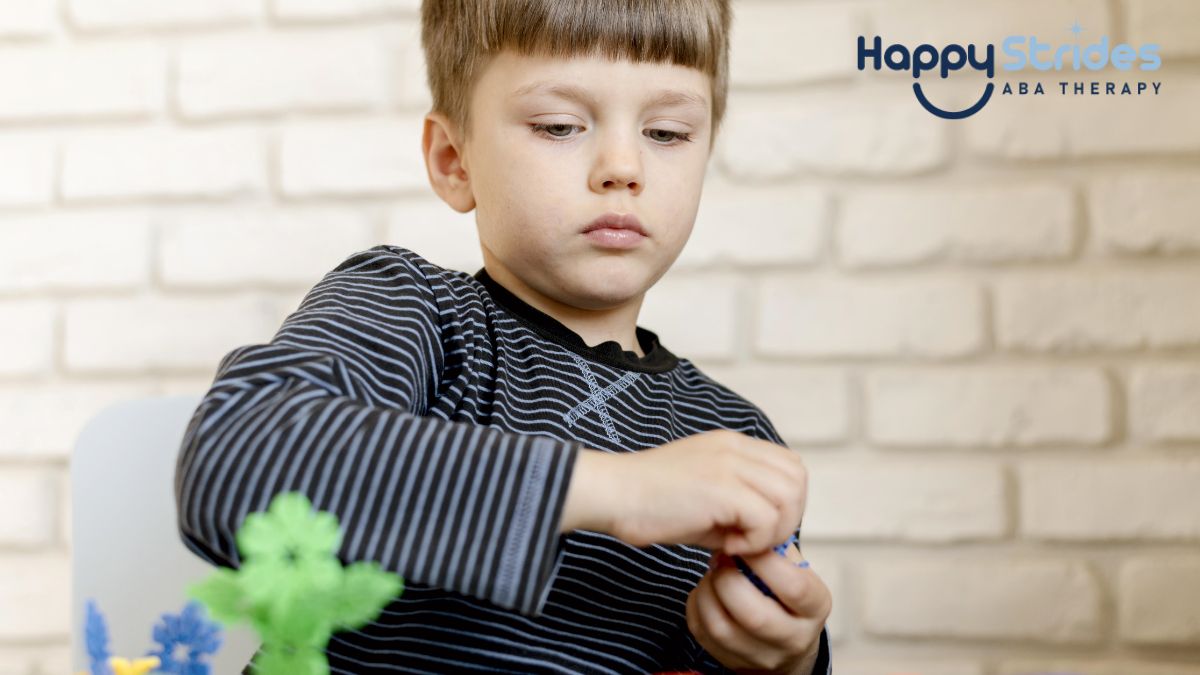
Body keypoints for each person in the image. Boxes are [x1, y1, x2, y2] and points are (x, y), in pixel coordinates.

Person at [173, 0, 833, 672]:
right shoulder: (419, 312)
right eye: (560, 125)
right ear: (454, 160)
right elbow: (238, 454)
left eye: (667, 132)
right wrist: (620, 490)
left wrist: (784, 652)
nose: (623, 165)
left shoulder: (733, 436)